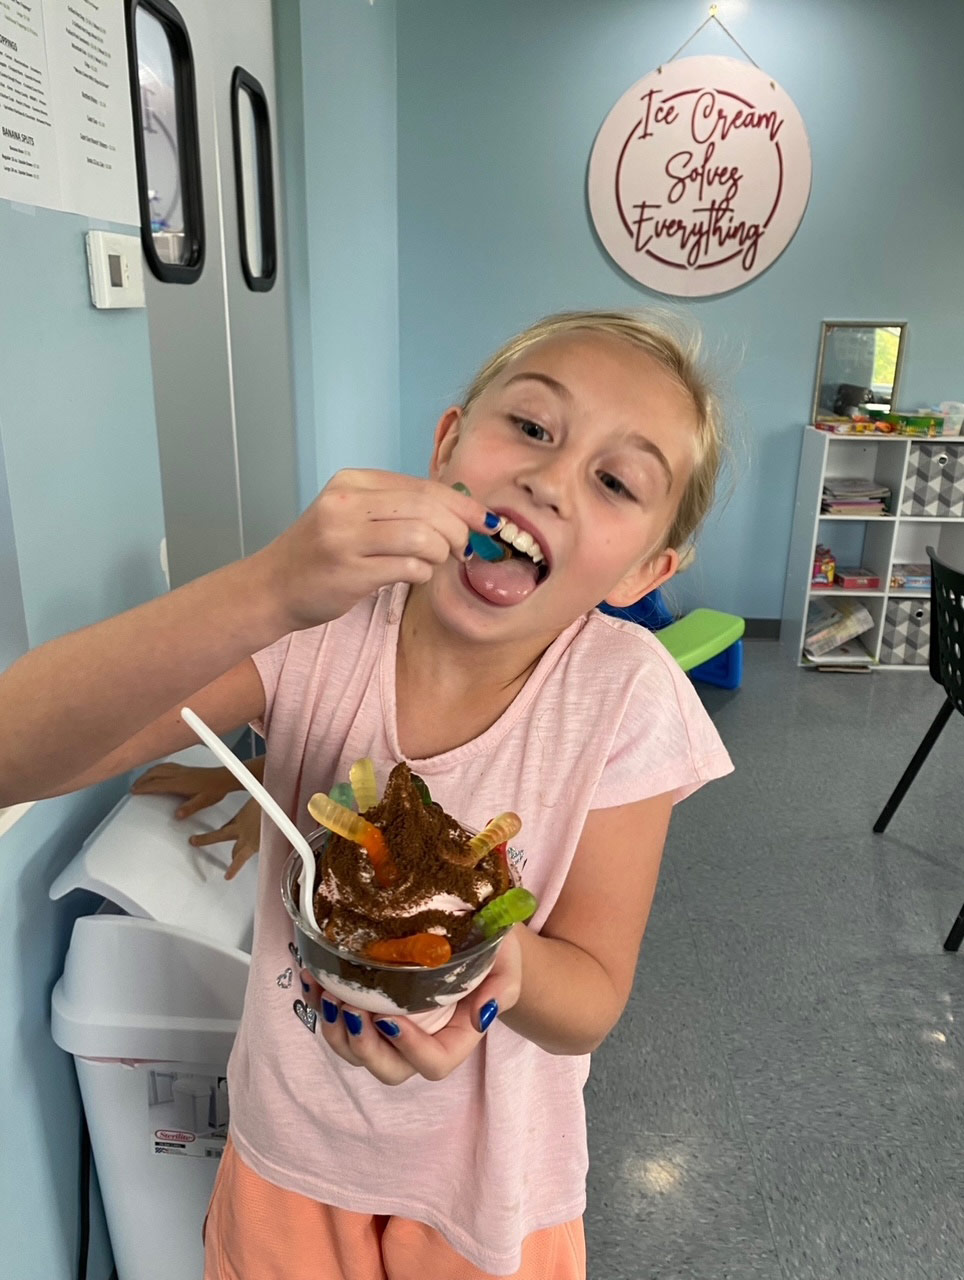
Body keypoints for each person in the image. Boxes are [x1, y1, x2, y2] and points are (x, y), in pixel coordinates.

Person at [1, 310, 733, 1280]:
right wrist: (269, 588)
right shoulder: (321, 624)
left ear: (646, 570)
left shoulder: (626, 696)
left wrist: (497, 961)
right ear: (447, 445)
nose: (550, 480)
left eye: (615, 481)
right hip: (288, 1167)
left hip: (491, 1196)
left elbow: (590, 998)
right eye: (531, 426)